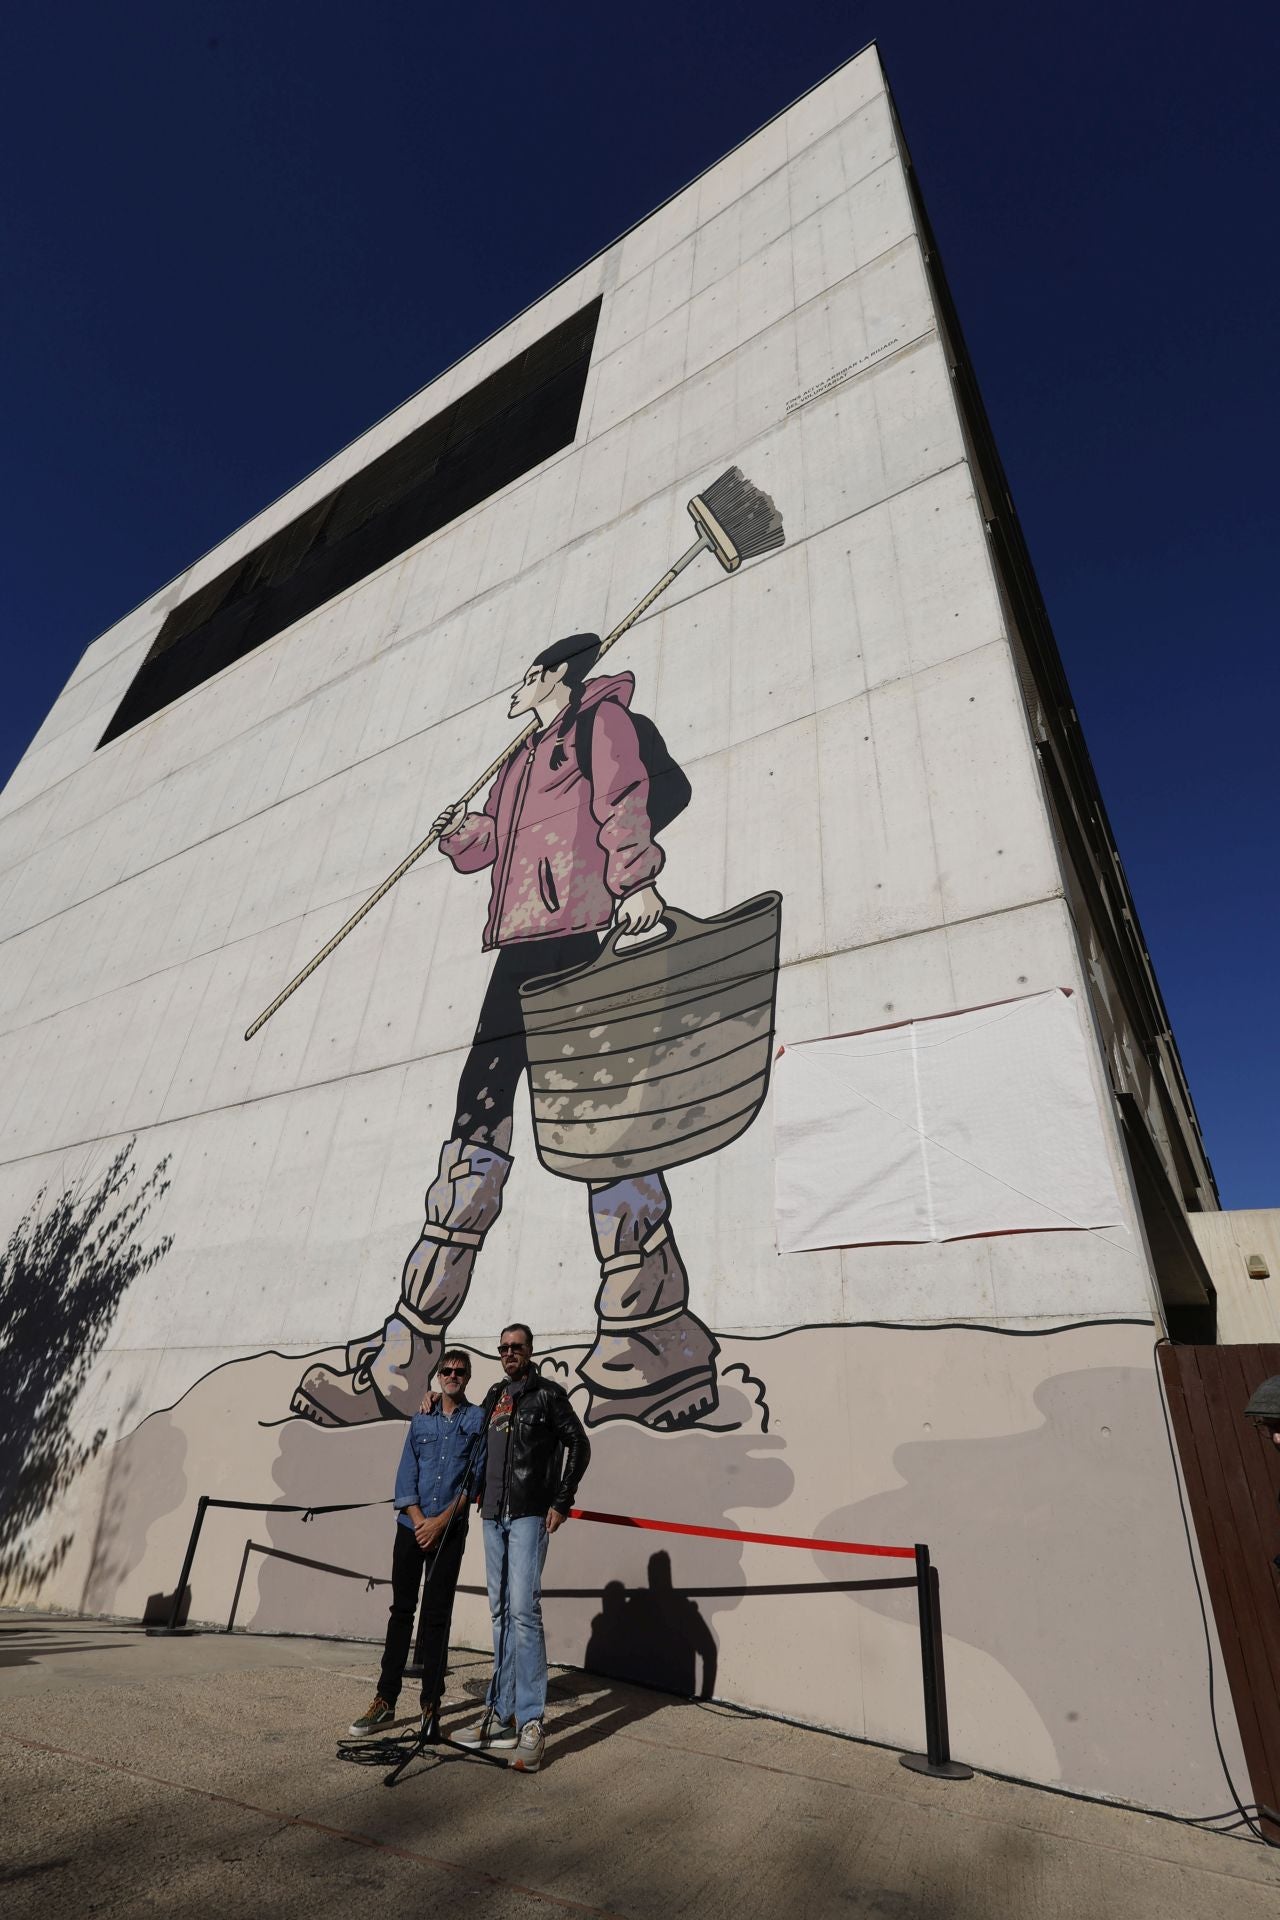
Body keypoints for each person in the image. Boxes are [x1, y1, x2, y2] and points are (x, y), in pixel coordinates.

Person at [293, 633, 718, 1434]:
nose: (516, 686)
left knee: (603, 1123)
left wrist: (637, 885)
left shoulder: (602, 725)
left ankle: (652, 1344)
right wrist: (459, 834)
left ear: (557, 674)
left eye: (528, 674)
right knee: (475, 1124)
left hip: (585, 929)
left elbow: (623, 799)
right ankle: (407, 1357)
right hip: (522, 943)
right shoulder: (520, 758)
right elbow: (494, 848)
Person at [457, 1323, 590, 1773]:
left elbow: (579, 1444)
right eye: (503, 1348)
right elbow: (469, 1432)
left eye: (517, 1346)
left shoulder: (548, 1395)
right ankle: (501, 1713)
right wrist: (437, 1402)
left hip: (530, 1514)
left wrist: (562, 1501)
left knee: (523, 1611)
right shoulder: (495, 1395)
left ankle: (532, 1722)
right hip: (492, 1515)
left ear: (531, 1350)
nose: (510, 1353)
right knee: (499, 1612)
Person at [347, 1348, 487, 1735]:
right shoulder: (421, 1417)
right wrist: (419, 1520)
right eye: (447, 1370)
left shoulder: (477, 1419)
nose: (453, 1375)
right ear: (438, 1376)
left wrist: (440, 1523)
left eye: (460, 1371)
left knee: (437, 1617)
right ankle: (385, 1700)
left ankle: (430, 1705)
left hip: (449, 1529)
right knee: (401, 1612)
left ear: (468, 1376)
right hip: (411, 1528)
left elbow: (473, 1481)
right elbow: (406, 1472)